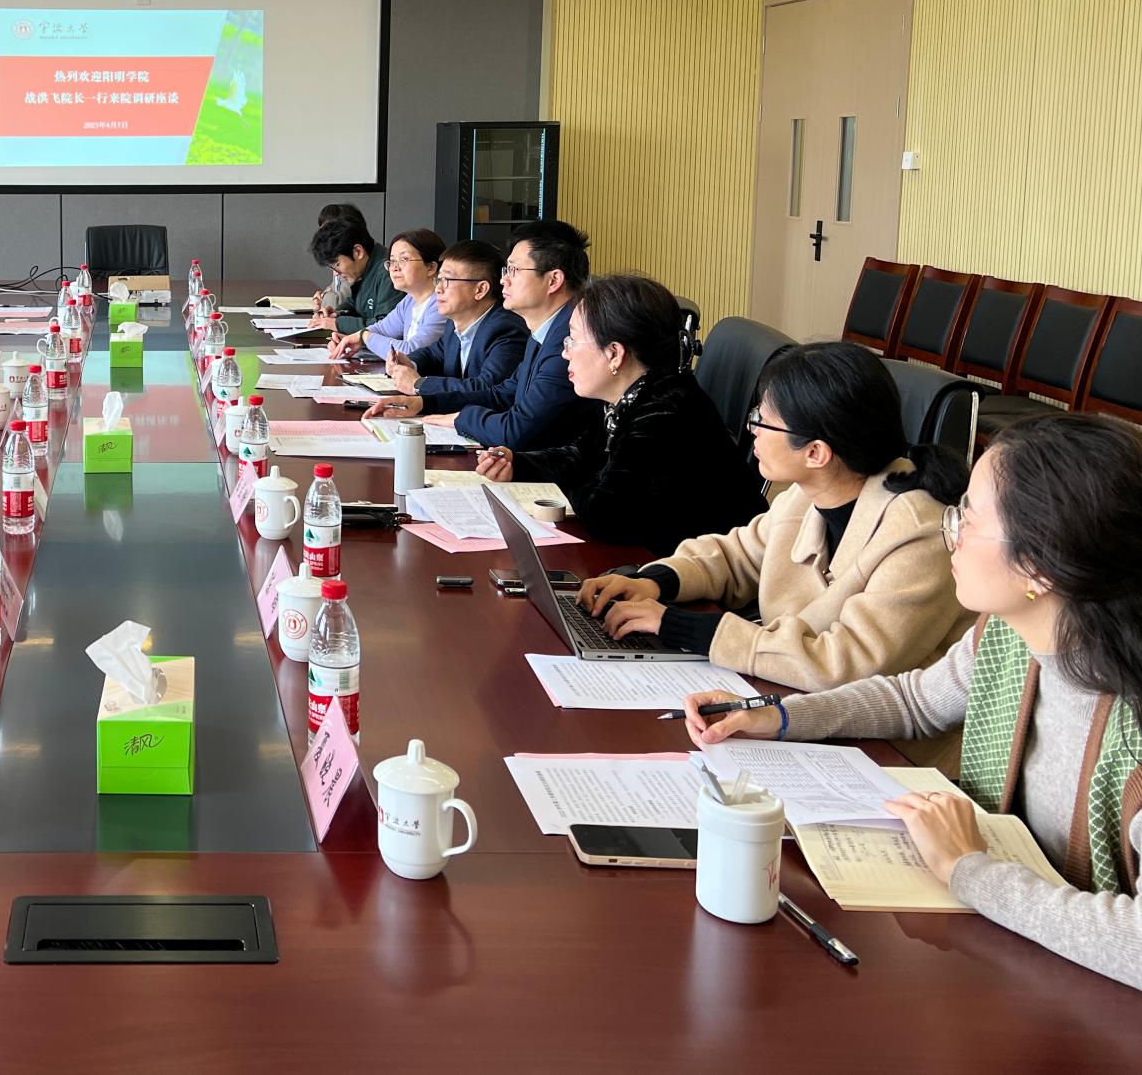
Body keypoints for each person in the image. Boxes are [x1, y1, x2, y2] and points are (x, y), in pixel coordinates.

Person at [684, 414, 1142, 991]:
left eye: (969, 518)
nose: (951, 531)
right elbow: (916, 699)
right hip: (1018, 957)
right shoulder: (1011, 634)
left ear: (1039, 563)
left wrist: (967, 868)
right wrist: (779, 715)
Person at [581, 340, 970, 693]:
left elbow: (847, 663)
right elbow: (738, 555)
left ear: (815, 453)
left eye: (762, 420)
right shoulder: (808, 493)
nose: (751, 430)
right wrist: (655, 581)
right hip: (793, 697)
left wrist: (680, 626)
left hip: (880, 738)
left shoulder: (920, 534)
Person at [476, 274, 765, 555]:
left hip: (701, 570)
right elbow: (580, 455)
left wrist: (578, 478)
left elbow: (607, 517)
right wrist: (518, 463)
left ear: (614, 353)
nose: (565, 353)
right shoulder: (631, 394)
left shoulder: (665, 413)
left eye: (572, 340)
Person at [363, 220, 596, 452]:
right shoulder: (544, 331)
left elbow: (517, 429)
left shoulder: (567, 341)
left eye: (513, 270)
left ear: (553, 280)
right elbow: (503, 394)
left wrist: (459, 418)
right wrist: (425, 403)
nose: (503, 280)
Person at [367, 240, 527, 404]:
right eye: (438, 280)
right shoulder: (453, 323)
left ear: (480, 289)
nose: (438, 289)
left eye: (447, 280)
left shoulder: (507, 330)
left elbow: (487, 388)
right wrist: (410, 363)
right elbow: (434, 354)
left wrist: (419, 384)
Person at [330, 229, 448, 361]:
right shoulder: (410, 300)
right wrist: (353, 339)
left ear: (431, 267)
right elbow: (382, 329)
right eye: (392, 261)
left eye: (404, 259)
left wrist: (364, 337)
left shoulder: (441, 304)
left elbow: (411, 353)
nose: (394, 268)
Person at [309, 215, 397, 333]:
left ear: (358, 251)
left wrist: (338, 324)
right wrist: (336, 314)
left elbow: (386, 326)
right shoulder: (366, 268)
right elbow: (356, 304)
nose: (337, 273)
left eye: (337, 264)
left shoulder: (388, 271)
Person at [311, 202, 367, 317]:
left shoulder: (352, 264)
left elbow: (337, 303)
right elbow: (333, 289)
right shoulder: (342, 260)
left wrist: (324, 298)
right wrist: (324, 296)